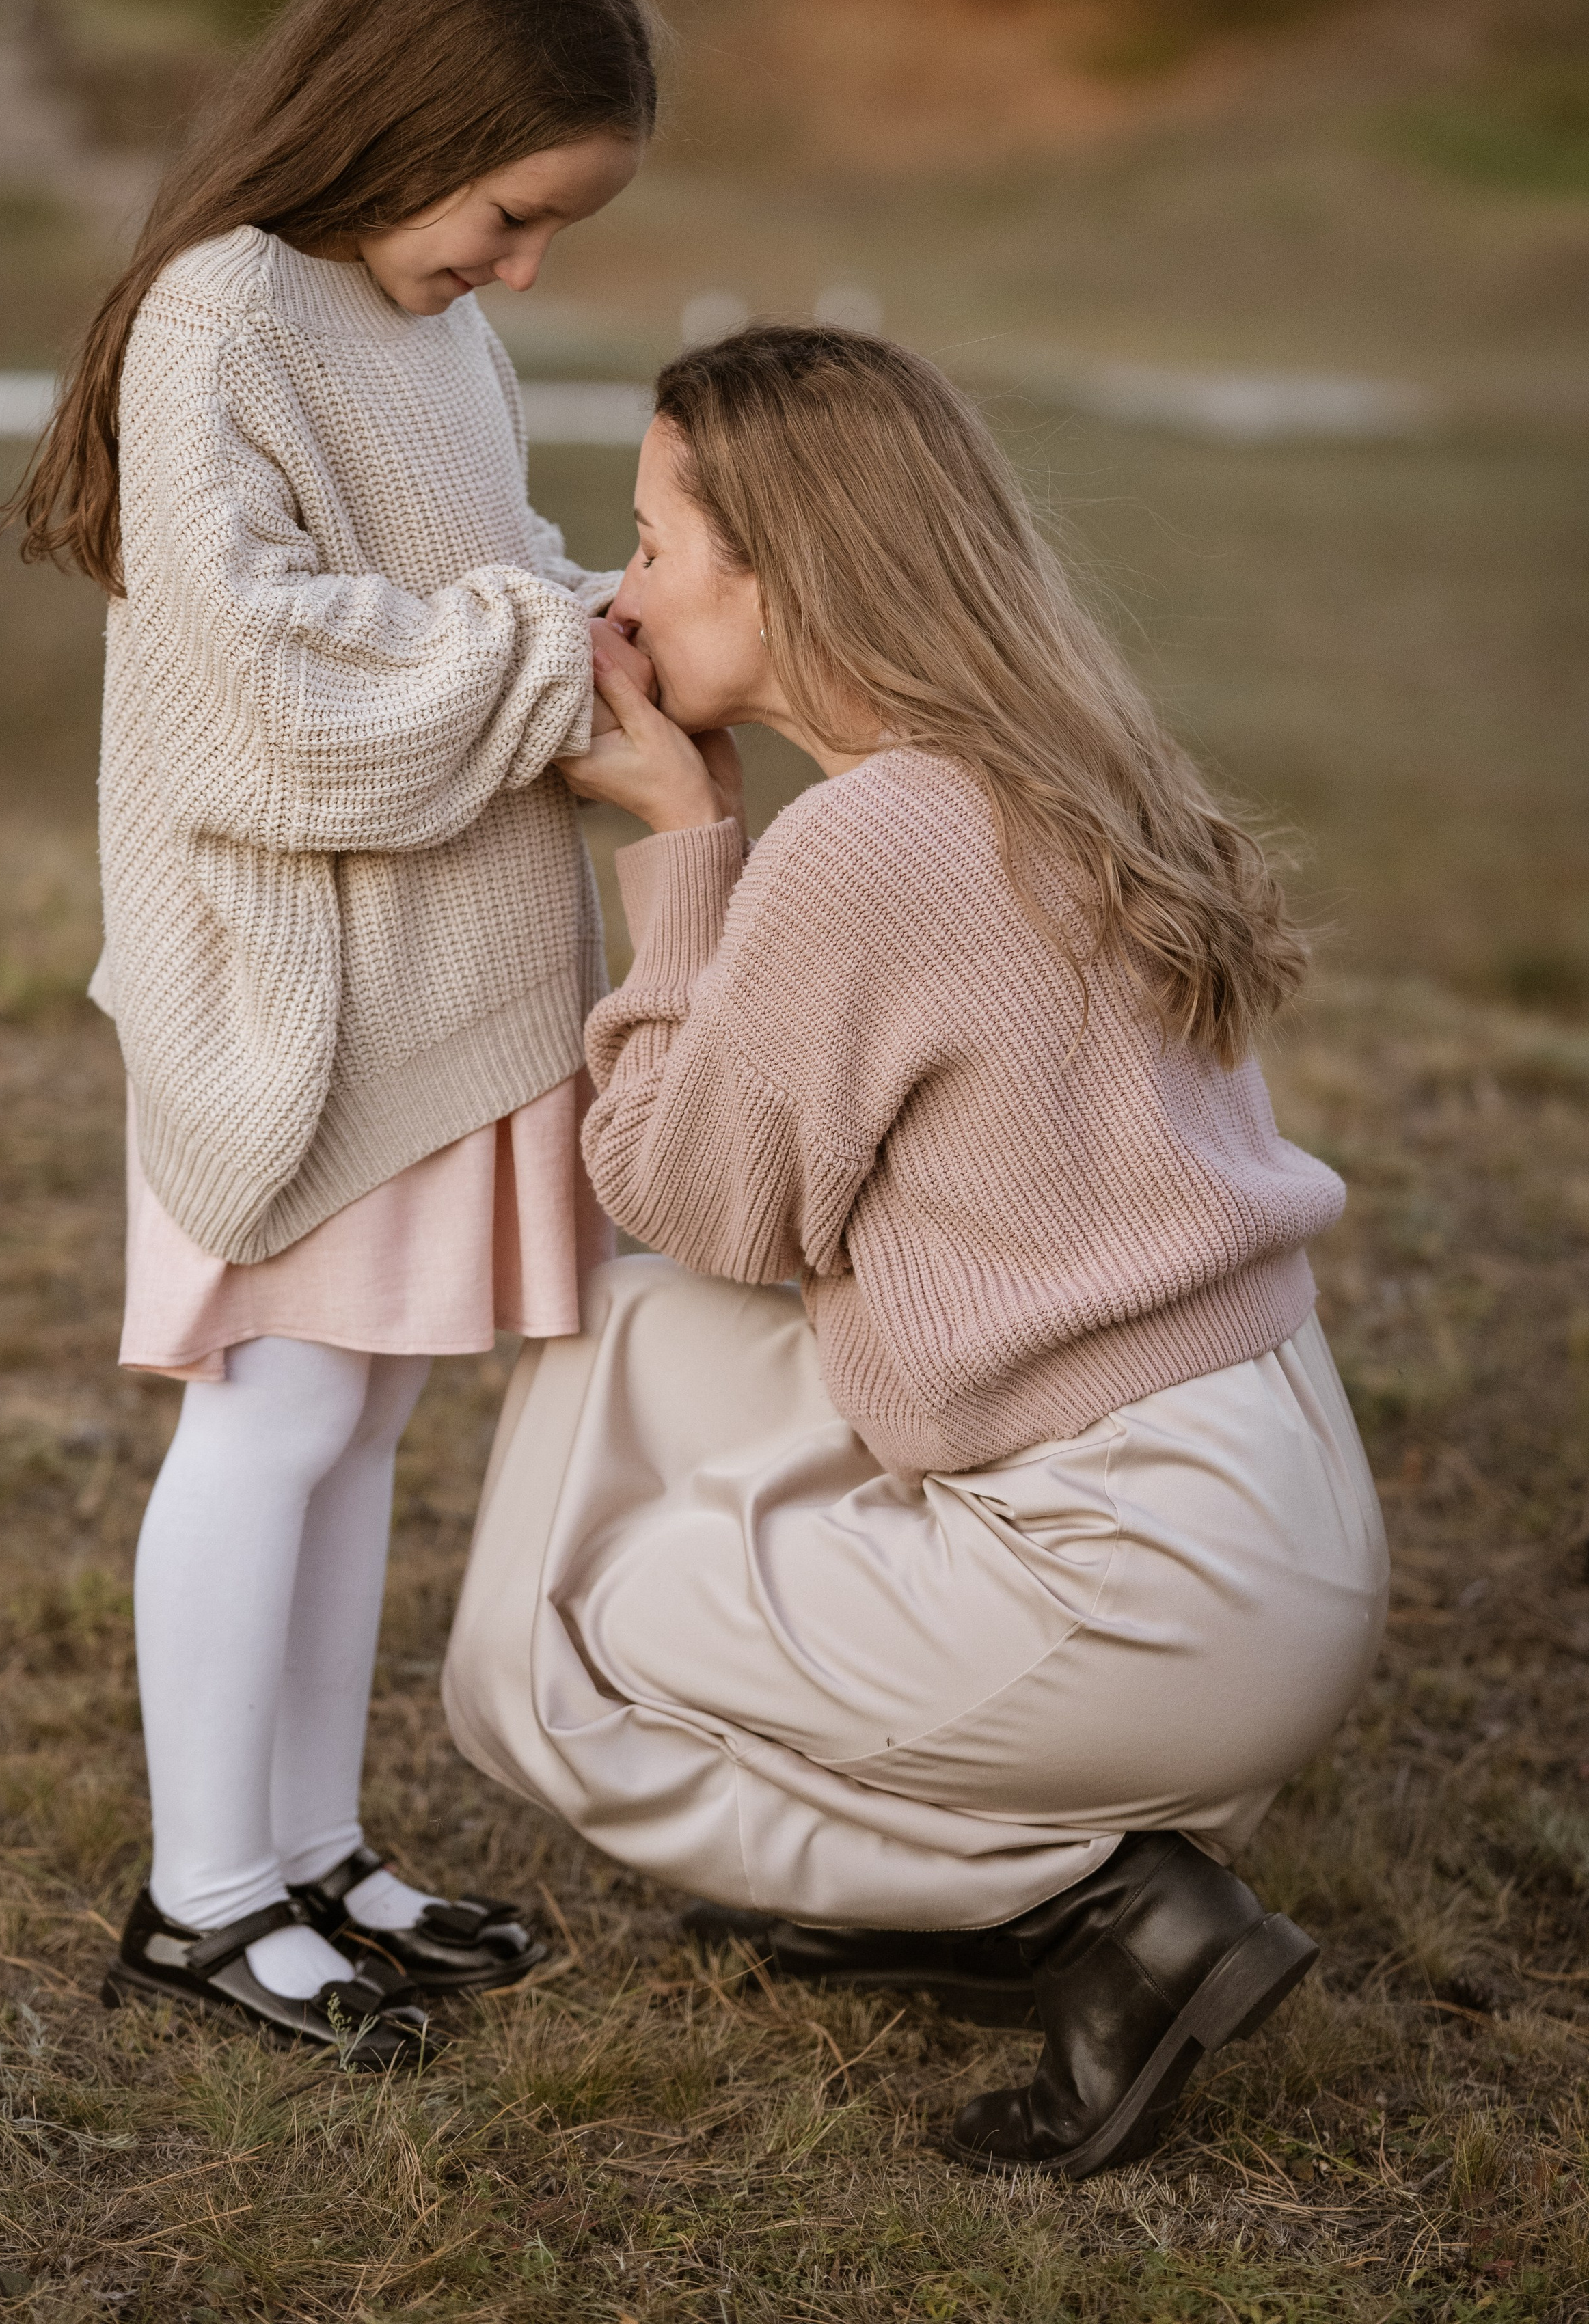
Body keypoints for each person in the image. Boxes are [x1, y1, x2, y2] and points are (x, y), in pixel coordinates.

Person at [442, 321, 1389, 2174]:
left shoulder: (867, 841)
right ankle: (963, 1876)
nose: (622, 589)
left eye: (649, 542)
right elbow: (722, 1251)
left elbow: (687, 1185)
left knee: (578, 1653)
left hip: (1146, 1585)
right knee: (640, 1339)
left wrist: (682, 837)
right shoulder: (1060, 758)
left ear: (777, 573)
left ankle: (1082, 1910)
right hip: (1266, 1498)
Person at [5, 0, 658, 2066]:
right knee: (272, 1410)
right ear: (410, 126)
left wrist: (603, 619)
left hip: (438, 971)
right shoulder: (224, 315)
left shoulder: (427, 318)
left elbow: (455, 587)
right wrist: (550, 648)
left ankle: (311, 1844)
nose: (525, 267)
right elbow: (267, 672)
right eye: (512, 210)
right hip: (294, 986)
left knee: (362, 1409)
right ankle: (199, 1899)